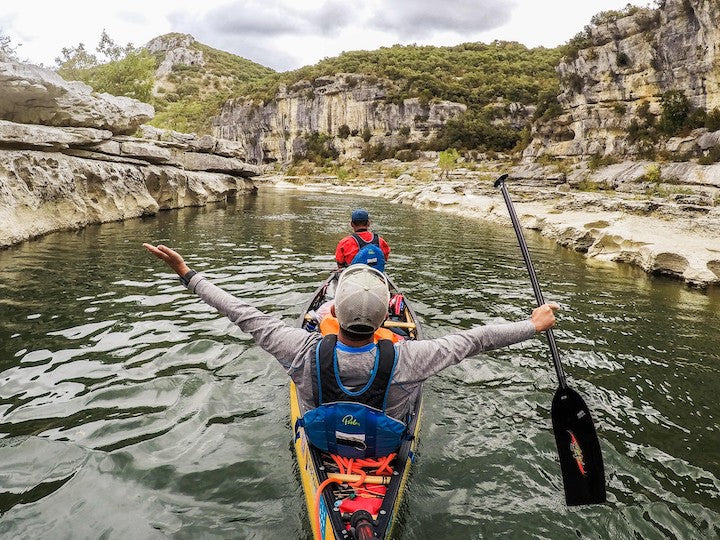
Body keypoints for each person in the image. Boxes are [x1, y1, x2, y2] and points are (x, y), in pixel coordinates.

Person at [142, 243, 559, 457]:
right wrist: (533, 325)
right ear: (385, 319)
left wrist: (187, 273)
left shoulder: (298, 348)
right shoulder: (413, 356)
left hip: (324, 444)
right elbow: (478, 339)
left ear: (333, 311)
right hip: (383, 448)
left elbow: (239, 311)